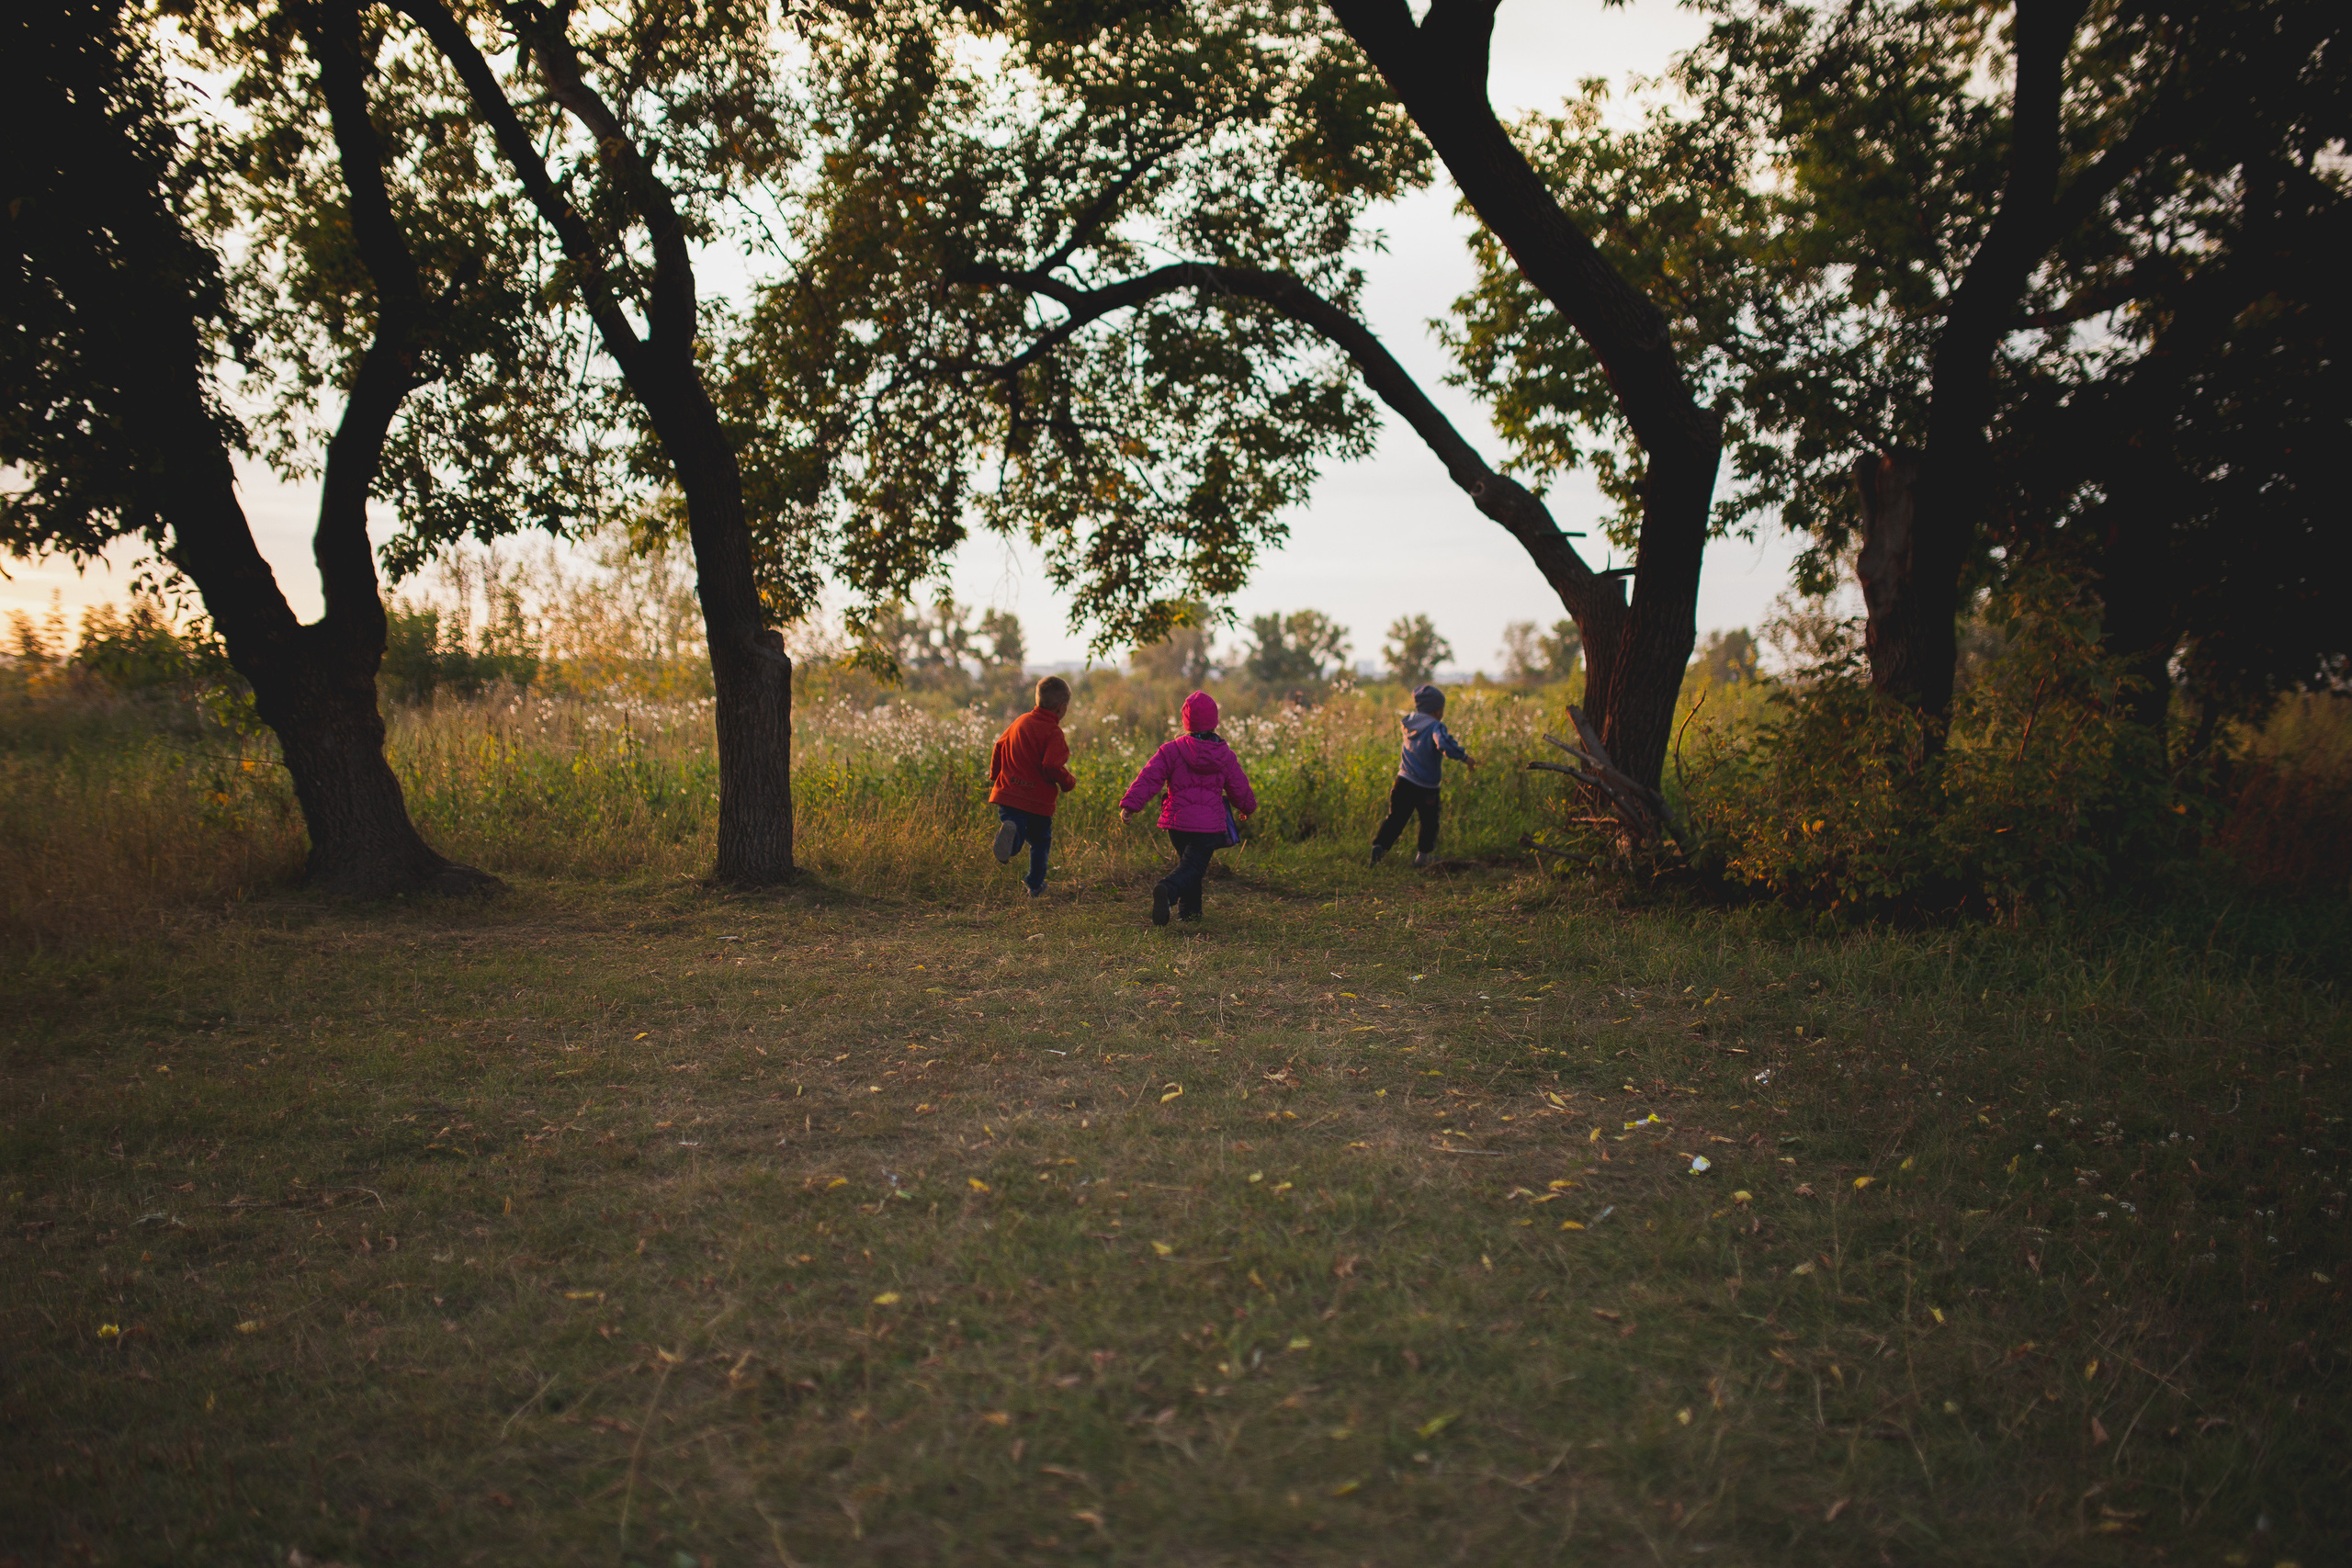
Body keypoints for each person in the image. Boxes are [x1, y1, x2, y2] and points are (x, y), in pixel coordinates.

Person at [1117, 690, 1257, 925]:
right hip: (1209, 826)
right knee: (1193, 867)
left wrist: (1130, 805)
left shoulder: (1170, 751)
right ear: (1215, 722)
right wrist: (1246, 807)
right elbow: (1239, 786)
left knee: (1190, 865)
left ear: (1186, 723)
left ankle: (1191, 914)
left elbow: (1149, 778)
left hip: (1178, 825)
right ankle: (1168, 890)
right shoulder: (1225, 755)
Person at [988, 675, 1078, 897]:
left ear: (1037, 699)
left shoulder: (1020, 722)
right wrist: (1068, 781)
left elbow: (999, 747)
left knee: (1015, 829)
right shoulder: (1053, 732)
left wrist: (995, 776)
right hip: (1037, 801)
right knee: (1040, 842)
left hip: (1009, 794)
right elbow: (1051, 765)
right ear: (1062, 707)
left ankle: (1012, 836)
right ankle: (1035, 885)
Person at [1371, 682, 1476, 868]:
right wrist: (1464, 757)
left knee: (1396, 818)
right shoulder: (1436, 726)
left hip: (1403, 781)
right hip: (1426, 787)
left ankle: (1379, 846)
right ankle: (1423, 857)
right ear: (1436, 710)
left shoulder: (1409, 723)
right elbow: (1443, 744)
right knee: (1429, 822)